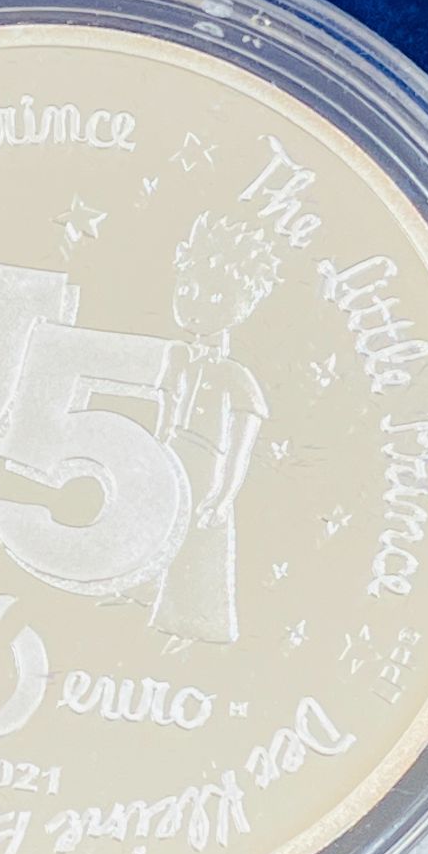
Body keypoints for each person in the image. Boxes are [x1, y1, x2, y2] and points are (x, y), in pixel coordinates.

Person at [148, 214, 278, 645]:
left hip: (207, 470)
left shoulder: (237, 378)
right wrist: (153, 459)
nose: (196, 304)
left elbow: (241, 446)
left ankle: (195, 624)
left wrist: (224, 495)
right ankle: (148, 604)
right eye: (188, 289)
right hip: (170, 460)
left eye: (216, 295)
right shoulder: (177, 360)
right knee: (155, 537)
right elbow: (164, 415)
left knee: (199, 548)